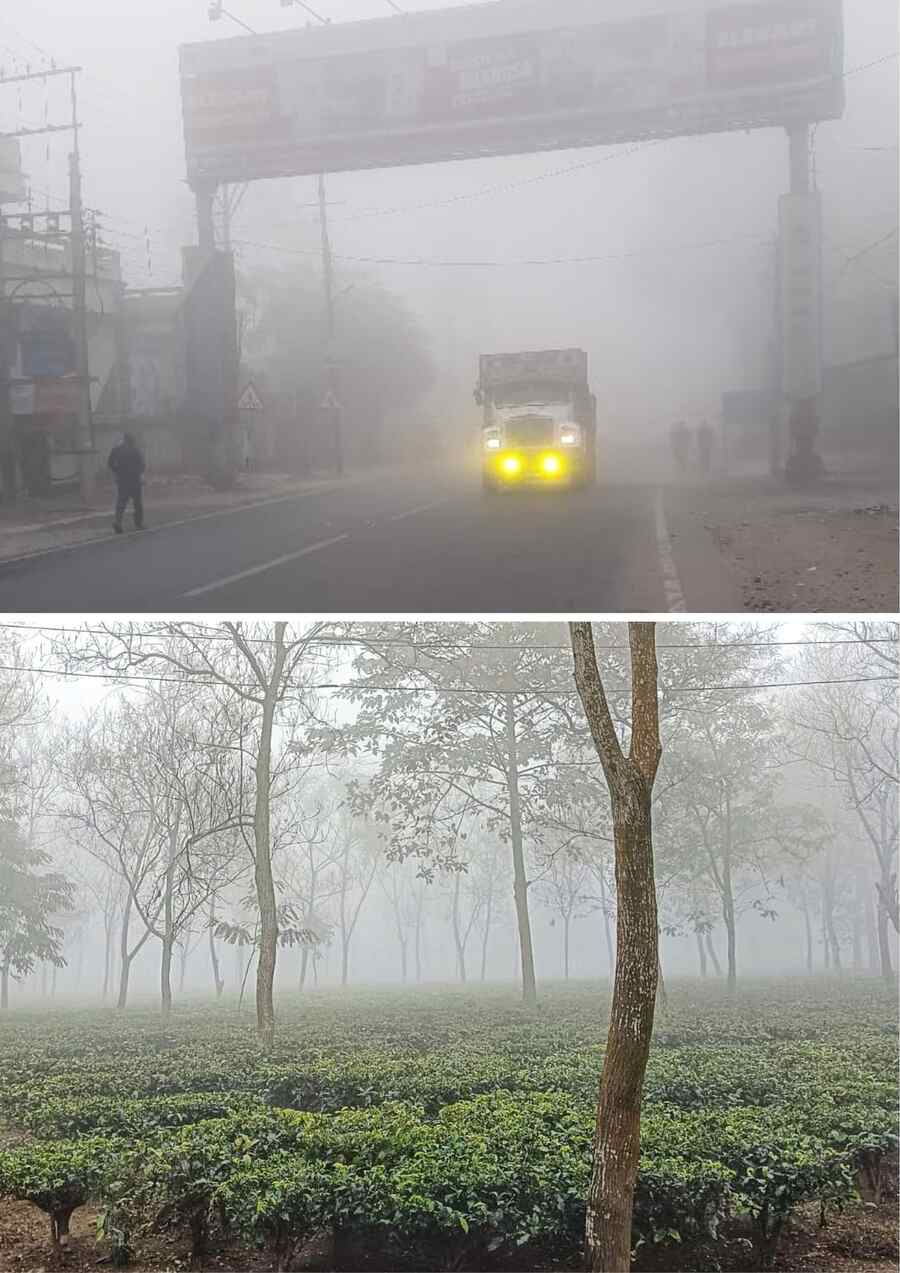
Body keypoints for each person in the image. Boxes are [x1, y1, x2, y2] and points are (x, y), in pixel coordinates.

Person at [108, 431, 145, 533]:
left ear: (124, 439)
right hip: (135, 480)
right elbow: (142, 465)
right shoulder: (136, 450)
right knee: (137, 503)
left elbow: (110, 463)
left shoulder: (116, 449)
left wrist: (117, 470)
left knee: (121, 502)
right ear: (132, 440)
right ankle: (138, 523)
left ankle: (118, 522)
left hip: (122, 480)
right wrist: (140, 475)